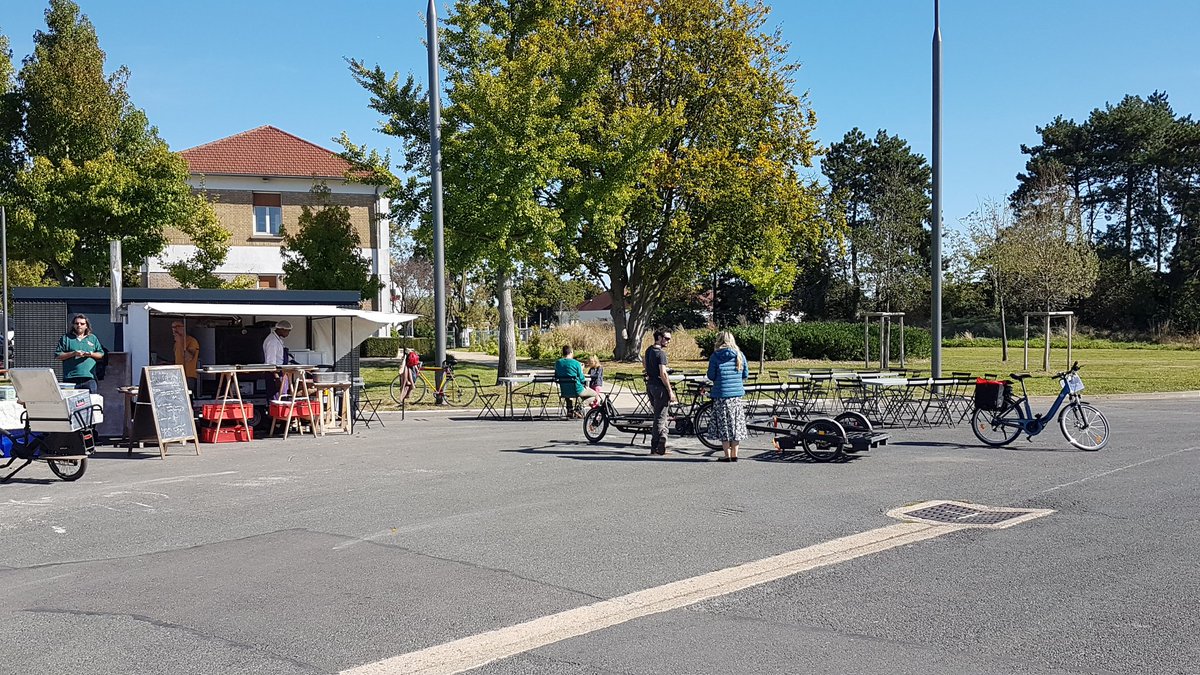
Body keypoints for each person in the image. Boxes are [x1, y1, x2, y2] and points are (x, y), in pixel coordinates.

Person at [706, 330, 749, 462]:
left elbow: (711, 376)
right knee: (736, 425)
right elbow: (745, 374)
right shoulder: (739, 355)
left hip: (721, 395)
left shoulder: (715, 356)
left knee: (724, 424)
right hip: (736, 396)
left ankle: (727, 455)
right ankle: (735, 453)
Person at [643, 328, 675, 455]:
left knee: (660, 415)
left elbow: (644, 364)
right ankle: (655, 446)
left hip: (650, 386)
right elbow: (663, 373)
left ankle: (663, 437)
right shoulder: (661, 354)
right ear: (659, 338)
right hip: (660, 388)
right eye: (666, 338)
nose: (668, 341)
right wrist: (670, 390)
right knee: (660, 418)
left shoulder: (648, 350)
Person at [55, 314, 104, 394]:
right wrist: (73, 353)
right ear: (73, 325)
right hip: (71, 379)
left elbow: (101, 354)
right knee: (71, 401)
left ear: (86, 326)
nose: (79, 325)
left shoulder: (92, 338)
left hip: (89, 379)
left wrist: (90, 354)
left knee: (91, 400)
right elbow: (58, 356)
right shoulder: (66, 338)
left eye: (82, 323)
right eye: (77, 323)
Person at [554, 345, 597, 418]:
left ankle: (570, 410)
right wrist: (581, 369)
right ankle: (580, 407)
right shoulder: (576, 363)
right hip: (577, 390)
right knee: (595, 395)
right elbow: (582, 379)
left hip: (564, 390)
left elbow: (556, 375)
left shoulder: (558, 363)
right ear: (571, 352)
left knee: (568, 392)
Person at [263, 320, 292, 401]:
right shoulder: (272, 341)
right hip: (275, 374)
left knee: (283, 397)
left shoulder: (278, 339)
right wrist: (277, 378)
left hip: (281, 373)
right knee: (277, 400)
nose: (288, 333)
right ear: (281, 329)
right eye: (287, 331)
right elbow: (271, 362)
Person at [172, 320, 200, 395]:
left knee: (188, 396)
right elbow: (178, 359)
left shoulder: (192, 341)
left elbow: (189, 358)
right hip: (178, 375)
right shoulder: (176, 343)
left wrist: (180, 342)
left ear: (184, 328)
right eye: (173, 327)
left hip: (188, 376)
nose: (175, 329)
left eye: (178, 326)